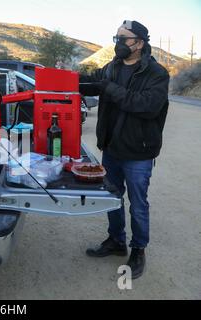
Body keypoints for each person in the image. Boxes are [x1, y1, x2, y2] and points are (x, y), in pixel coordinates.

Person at [79, 20, 170, 279]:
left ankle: (138, 250)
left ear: (139, 43)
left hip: (139, 152)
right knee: (112, 197)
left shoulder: (157, 73)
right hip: (112, 148)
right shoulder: (112, 68)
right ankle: (116, 241)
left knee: (138, 203)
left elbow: (146, 105)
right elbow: (91, 82)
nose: (118, 43)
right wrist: (63, 80)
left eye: (123, 38)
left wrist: (108, 87)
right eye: (116, 37)